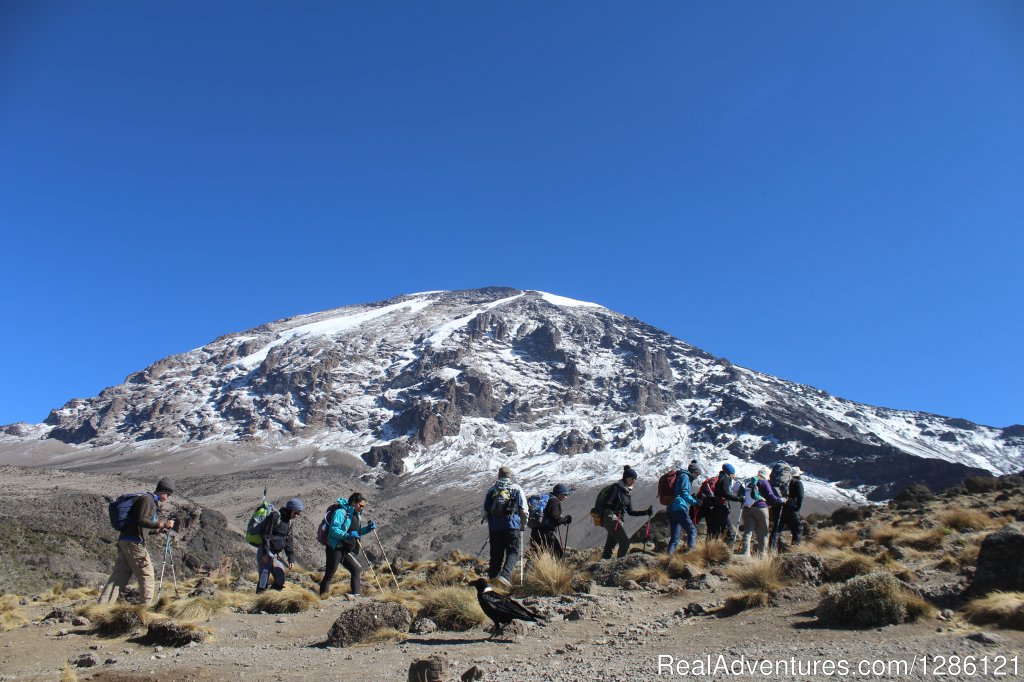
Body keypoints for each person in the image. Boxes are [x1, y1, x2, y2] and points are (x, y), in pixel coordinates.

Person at [98, 477, 176, 605]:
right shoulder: (148, 500)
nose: (168, 497)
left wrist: (158, 530)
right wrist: (162, 524)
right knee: (147, 575)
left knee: (119, 576)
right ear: (163, 491)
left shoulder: (148, 500)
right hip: (134, 543)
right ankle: (145, 608)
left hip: (126, 540)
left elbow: (141, 526)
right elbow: (142, 520)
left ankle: (103, 606)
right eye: (168, 494)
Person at [318, 492, 377, 597]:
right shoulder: (341, 512)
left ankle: (356, 596)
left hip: (345, 549)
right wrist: (346, 535)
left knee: (356, 569)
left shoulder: (356, 515)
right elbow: (333, 530)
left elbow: (356, 532)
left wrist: (368, 529)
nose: (362, 508)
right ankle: (322, 599)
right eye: (360, 505)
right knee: (329, 574)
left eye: (363, 506)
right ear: (353, 502)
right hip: (335, 548)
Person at [482, 466, 528, 588]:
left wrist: (491, 523)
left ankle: (492, 582)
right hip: (512, 525)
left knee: (496, 554)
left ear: (499, 476)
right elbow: (523, 509)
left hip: (495, 528)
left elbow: (484, 511)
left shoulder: (492, 490)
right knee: (512, 551)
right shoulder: (516, 488)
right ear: (510, 476)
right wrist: (523, 525)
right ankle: (505, 576)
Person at [600, 465, 653, 560]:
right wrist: (616, 506)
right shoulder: (616, 488)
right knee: (625, 543)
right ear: (626, 478)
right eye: (633, 478)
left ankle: (602, 564)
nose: (634, 481)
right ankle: (619, 565)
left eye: (635, 479)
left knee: (610, 546)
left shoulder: (627, 493)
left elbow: (630, 512)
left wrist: (646, 512)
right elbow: (607, 504)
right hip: (610, 518)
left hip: (618, 521)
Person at [256, 497, 303, 593]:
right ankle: (259, 599)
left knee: (280, 578)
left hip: (275, 555)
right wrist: (265, 554)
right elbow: (266, 536)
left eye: (299, 513)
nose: (297, 515)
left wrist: (291, 559)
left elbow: (289, 542)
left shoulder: (289, 523)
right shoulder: (275, 516)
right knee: (264, 578)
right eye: (296, 512)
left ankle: (270, 597)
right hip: (265, 552)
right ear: (290, 510)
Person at [739, 468, 786, 557]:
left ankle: (745, 553)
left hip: (747, 508)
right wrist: (782, 500)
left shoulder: (749, 482)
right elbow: (771, 496)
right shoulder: (764, 482)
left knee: (748, 531)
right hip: (760, 508)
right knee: (763, 532)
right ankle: (762, 555)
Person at [666, 463, 700, 554]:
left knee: (674, 538)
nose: (697, 476)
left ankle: (668, 557)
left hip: (671, 509)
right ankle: (691, 553)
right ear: (693, 472)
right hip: (679, 508)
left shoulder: (681, 476)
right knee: (692, 530)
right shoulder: (685, 477)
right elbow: (684, 493)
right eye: (697, 474)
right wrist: (695, 502)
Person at [771, 467, 805, 550]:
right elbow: (800, 496)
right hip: (791, 509)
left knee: (777, 530)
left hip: (779, 507)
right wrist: (798, 507)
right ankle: (795, 550)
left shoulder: (782, 482)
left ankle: (771, 550)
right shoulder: (797, 482)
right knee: (797, 529)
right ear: (798, 475)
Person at [534, 484, 572, 557]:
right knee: (558, 554)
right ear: (559, 493)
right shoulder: (555, 500)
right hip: (546, 533)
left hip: (536, 530)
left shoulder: (547, 498)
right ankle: (559, 568)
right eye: (564, 494)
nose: (566, 497)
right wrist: (565, 519)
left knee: (536, 554)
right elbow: (555, 518)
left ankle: (527, 568)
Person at [708, 464, 742, 543]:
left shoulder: (719, 478)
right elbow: (726, 494)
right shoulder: (725, 479)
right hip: (722, 507)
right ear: (730, 473)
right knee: (729, 531)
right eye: (733, 474)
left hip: (716, 507)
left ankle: (712, 548)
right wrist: (738, 499)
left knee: (716, 530)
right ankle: (726, 551)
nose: (733, 476)